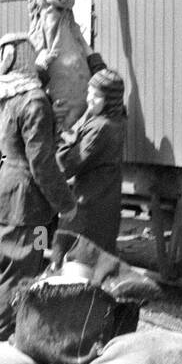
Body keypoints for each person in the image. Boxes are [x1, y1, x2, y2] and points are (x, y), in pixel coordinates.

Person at [0, 33, 77, 345]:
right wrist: (66, 203)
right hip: (25, 203)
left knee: (21, 270)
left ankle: (7, 343)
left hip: (7, 195)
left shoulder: (3, 93)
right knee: (18, 275)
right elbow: (42, 163)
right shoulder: (34, 100)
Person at [55, 67, 126, 257]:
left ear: (109, 100)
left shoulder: (99, 128)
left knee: (67, 257)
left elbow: (67, 164)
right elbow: (110, 85)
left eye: (96, 96)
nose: (89, 99)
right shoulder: (117, 118)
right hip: (105, 208)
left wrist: (60, 133)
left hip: (88, 210)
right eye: (88, 92)